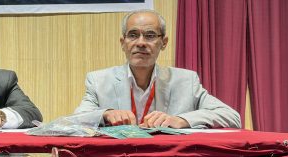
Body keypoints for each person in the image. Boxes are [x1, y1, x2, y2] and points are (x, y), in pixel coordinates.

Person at [74, 9, 241, 128]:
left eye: (150, 35)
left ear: (164, 43)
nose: (141, 42)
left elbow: (232, 117)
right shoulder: (99, 81)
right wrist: (105, 114)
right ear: (123, 43)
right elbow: (75, 120)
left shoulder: (186, 81)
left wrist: (181, 120)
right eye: (133, 35)